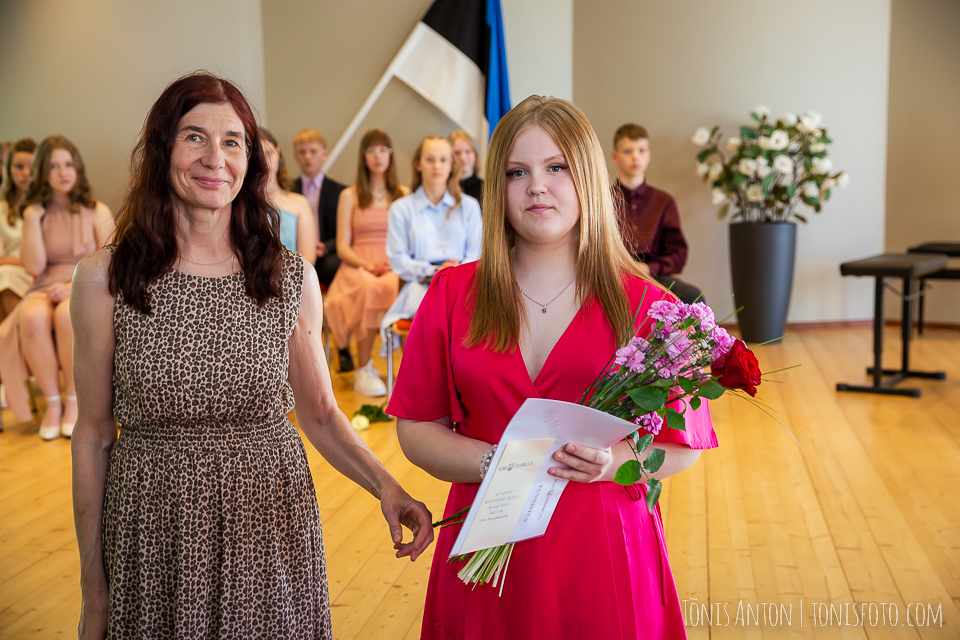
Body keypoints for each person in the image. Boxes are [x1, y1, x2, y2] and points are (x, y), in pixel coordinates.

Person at [70, 72, 433, 639]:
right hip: (154, 531)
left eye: (232, 141)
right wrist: (94, 591)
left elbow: (320, 414)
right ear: (162, 149)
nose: (215, 158)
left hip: (268, 526)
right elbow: (93, 436)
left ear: (251, 160)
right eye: (194, 137)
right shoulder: (105, 278)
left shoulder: (288, 278)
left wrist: (387, 484)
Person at [387, 96, 719, 639]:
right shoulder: (451, 294)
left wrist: (611, 463)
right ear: (497, 189)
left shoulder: (647, 305)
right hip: (487, 541)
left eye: (556, 167)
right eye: (516, 172)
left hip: (604, 548)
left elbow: (684, 445)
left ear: (588, 176)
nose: (536, 187)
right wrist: (499, 462)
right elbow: (417, 427)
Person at [0, 136, 114, 438]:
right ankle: (53, 403)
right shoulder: (36, 213)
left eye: (68, 164)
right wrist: (32, 218)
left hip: (85, 284)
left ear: (77, 168)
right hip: (43, 285)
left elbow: (110, 261)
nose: (63, 172)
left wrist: (71, 285)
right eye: (53, 166)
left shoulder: (97, 210)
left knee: (67, 315)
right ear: (42, 172)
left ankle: (74, 401)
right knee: (31, 316)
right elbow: (33, 267)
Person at [379, 135, 482, 356]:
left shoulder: (469, 206)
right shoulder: (401, 209)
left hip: (462, 286)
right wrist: (436, 271)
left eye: (444, 159)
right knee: (429, 322)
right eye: (430, 159)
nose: (437, 166)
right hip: (421, 286)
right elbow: (398, 259)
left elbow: (475, 254)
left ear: (451, 165)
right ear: (418, 164)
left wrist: (453, 272)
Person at [324, 129, 408, 391]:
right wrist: (366, 265)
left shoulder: (403, 193)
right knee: (368, 286)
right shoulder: (350, 195)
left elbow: (408, 240)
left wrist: (394, 262)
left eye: (383, 149)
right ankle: (363, 368)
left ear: (391, 155)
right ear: (363, 156)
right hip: (358, 264)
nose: (378, 155)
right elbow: (342, 246)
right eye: (371, 150)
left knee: (395, 286)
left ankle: (408, 371)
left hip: (393, 263)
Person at [611, 123, 703, 304]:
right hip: (612, 277)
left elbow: (678, 253)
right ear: (615, 156)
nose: (635, 157)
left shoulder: (663, 201)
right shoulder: (601, 200)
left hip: (653, 277)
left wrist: (648, 269)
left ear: (649, 155)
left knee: (692, 296)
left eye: (641, 150)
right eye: (628, 151)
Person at [290, 128, 346, 287]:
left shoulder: (341, 192)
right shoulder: (287, 190)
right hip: (295, 253)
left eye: (313, 151)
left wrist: (326, 247)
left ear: (324, 154)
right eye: (302, 152)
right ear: (295, 156)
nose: (308, 157)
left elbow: (347, 232)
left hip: (327, 256)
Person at [260, 127, 318, 261]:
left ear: (277, 153)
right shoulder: (238, 204)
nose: (264, 162)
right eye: (258, 156)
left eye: (269, 153)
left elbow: (308, 257)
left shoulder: (299, 202)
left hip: (292, 272)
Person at [0, 137, 38, 321]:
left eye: (32, 167)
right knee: (4, 274)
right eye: (19, 166)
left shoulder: (47, 206)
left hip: (39, 272)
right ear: (8, 169)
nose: (26, 173)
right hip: (8, 270)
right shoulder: (1, 208)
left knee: (5, 275)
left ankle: (13, 332)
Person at [450, 130, 483, 205]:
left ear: (475, 155)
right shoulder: (442, 189)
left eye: (468, 151)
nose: (463, 158)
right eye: (457, 153)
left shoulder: (487, 189)